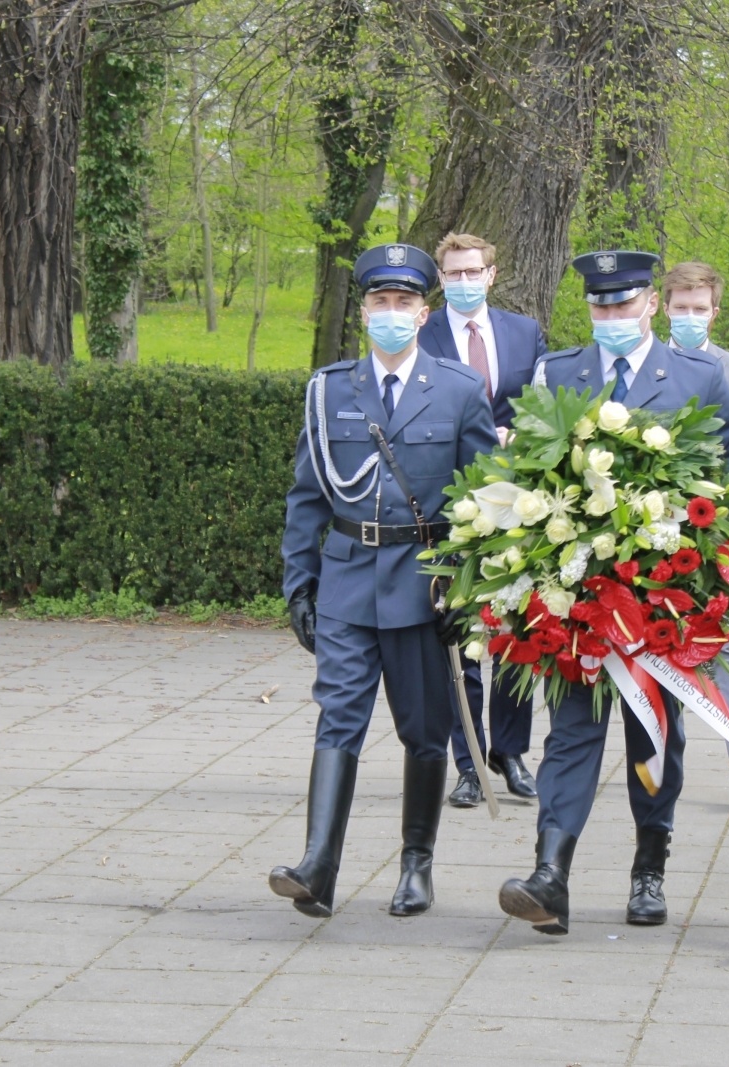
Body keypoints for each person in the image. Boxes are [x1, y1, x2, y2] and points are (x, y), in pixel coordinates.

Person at [498, 250, 729, 934]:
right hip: (579, 596)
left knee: (654, 737)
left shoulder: (699, 374)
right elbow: (528, 469)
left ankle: (649, 866)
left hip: (660, 597)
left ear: (649, 303)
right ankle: (550, 872)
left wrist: (716, 565)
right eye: (599, 307)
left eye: (624, 304)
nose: (611, 317)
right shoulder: (558, 372)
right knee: (572, 733)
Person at [274, 242, 498, 919]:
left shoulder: (458, 391)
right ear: (365, 311)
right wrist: (300, 584)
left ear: (423, 312)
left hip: (423, 586)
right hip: (345, 582)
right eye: (380, 302)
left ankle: (416, 864)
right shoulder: (330, 389)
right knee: (337, 717)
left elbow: (484, 502)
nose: (391, 312)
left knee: (424, 730)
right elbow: (306, 496)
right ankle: (319, 864)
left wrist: (471, 591)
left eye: (404, 302)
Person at [418, 232, 548, 808]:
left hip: (517, 501)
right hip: (453, 501)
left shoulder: (525, 332)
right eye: (453, 273)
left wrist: (523, 433)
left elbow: (543, 404)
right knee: (463, 633)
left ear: (492, 275)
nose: (464, 282)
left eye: (473, 272)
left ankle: (511, 751)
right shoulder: (422, 332)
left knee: (518, 627)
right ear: (440, 280)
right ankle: (469, 762)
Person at [662, 260, 729, 803]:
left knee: (727, 642)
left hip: (716, 527)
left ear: (715, 312)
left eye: (699, 309)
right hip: (654, 527)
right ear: (663, 308)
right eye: (680, 308)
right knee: (656, 642)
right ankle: (658, 759)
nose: (689, 316)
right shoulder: (643, 365)